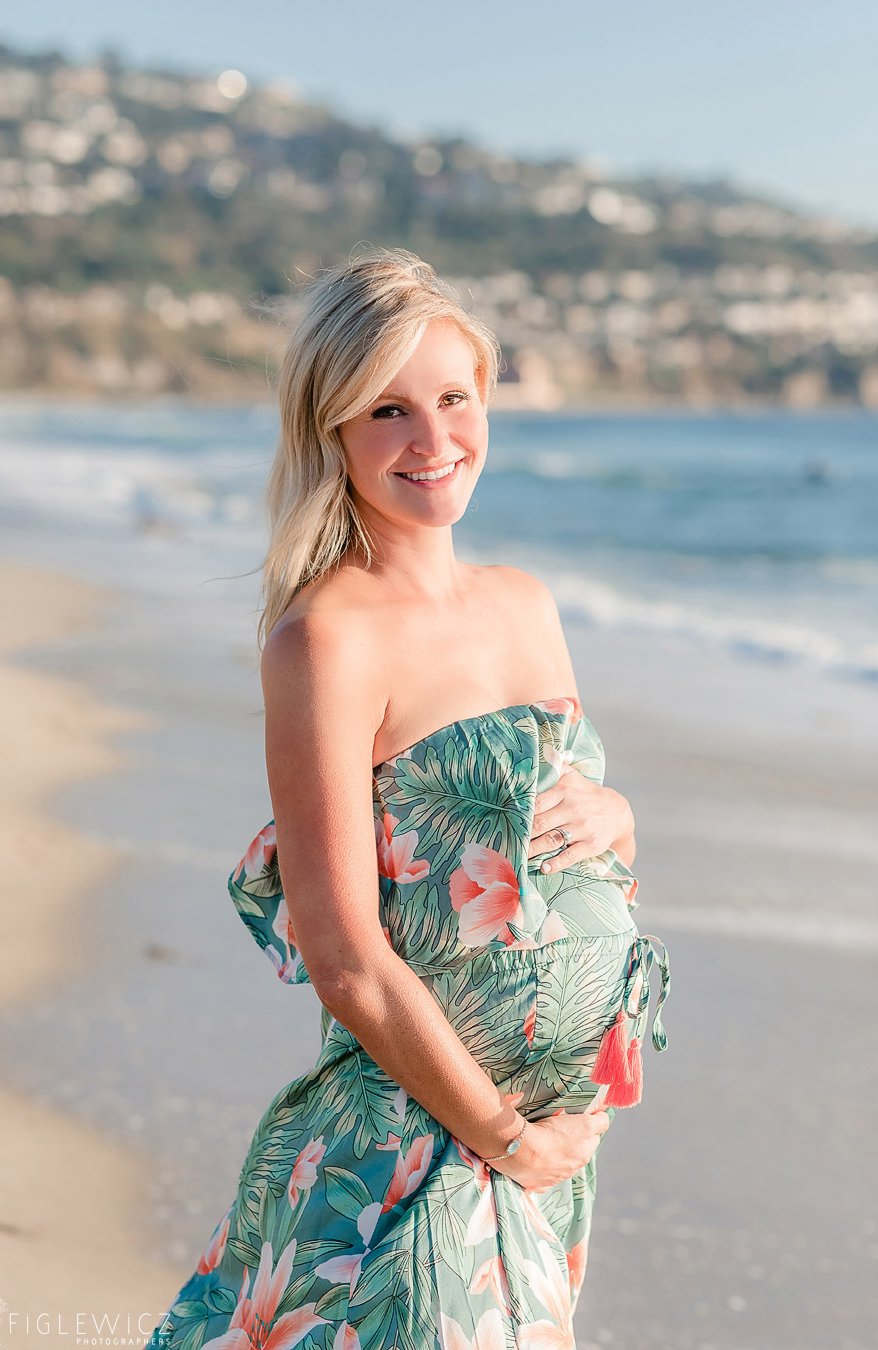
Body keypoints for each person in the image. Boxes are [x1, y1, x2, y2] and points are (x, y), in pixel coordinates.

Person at [151, 248, 670, 1350]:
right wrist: (498, 1134)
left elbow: (562, 840)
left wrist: (623, 819)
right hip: (419, 1142)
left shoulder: (527, 605)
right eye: (389, 409)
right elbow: (346, 957)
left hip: (556, 1149)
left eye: (453, 398)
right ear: (331, 428)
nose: (433, 442)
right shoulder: (324, 642)